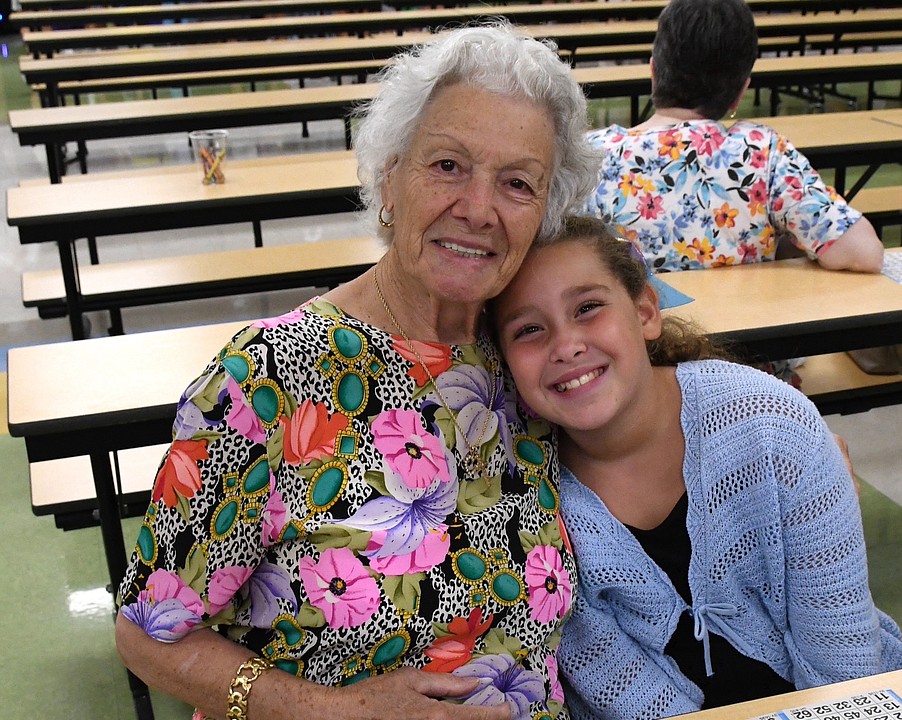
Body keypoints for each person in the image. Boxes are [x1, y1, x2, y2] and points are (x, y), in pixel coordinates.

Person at [113, 23, 601, 720]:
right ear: (388, 178)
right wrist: (331, 710)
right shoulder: (268, 379)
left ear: (544, 216)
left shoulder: (529, 359)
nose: (477, 208)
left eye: (517, 183)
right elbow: (146, 634)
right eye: (447, 166)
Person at [491, 216, 902, 720]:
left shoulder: (771, 424)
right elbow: (612, 680)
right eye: (528, 330)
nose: (566, 345)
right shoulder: (524, 491)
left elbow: (843, 660)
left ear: (645, 311)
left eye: (588, 308)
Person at [586, 0, 885, 275]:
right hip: (741, 331)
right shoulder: (762, 151)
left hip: (632, 331)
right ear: (741, 92)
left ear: (653, 71)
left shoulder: (591, 156)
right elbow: (863, 252)